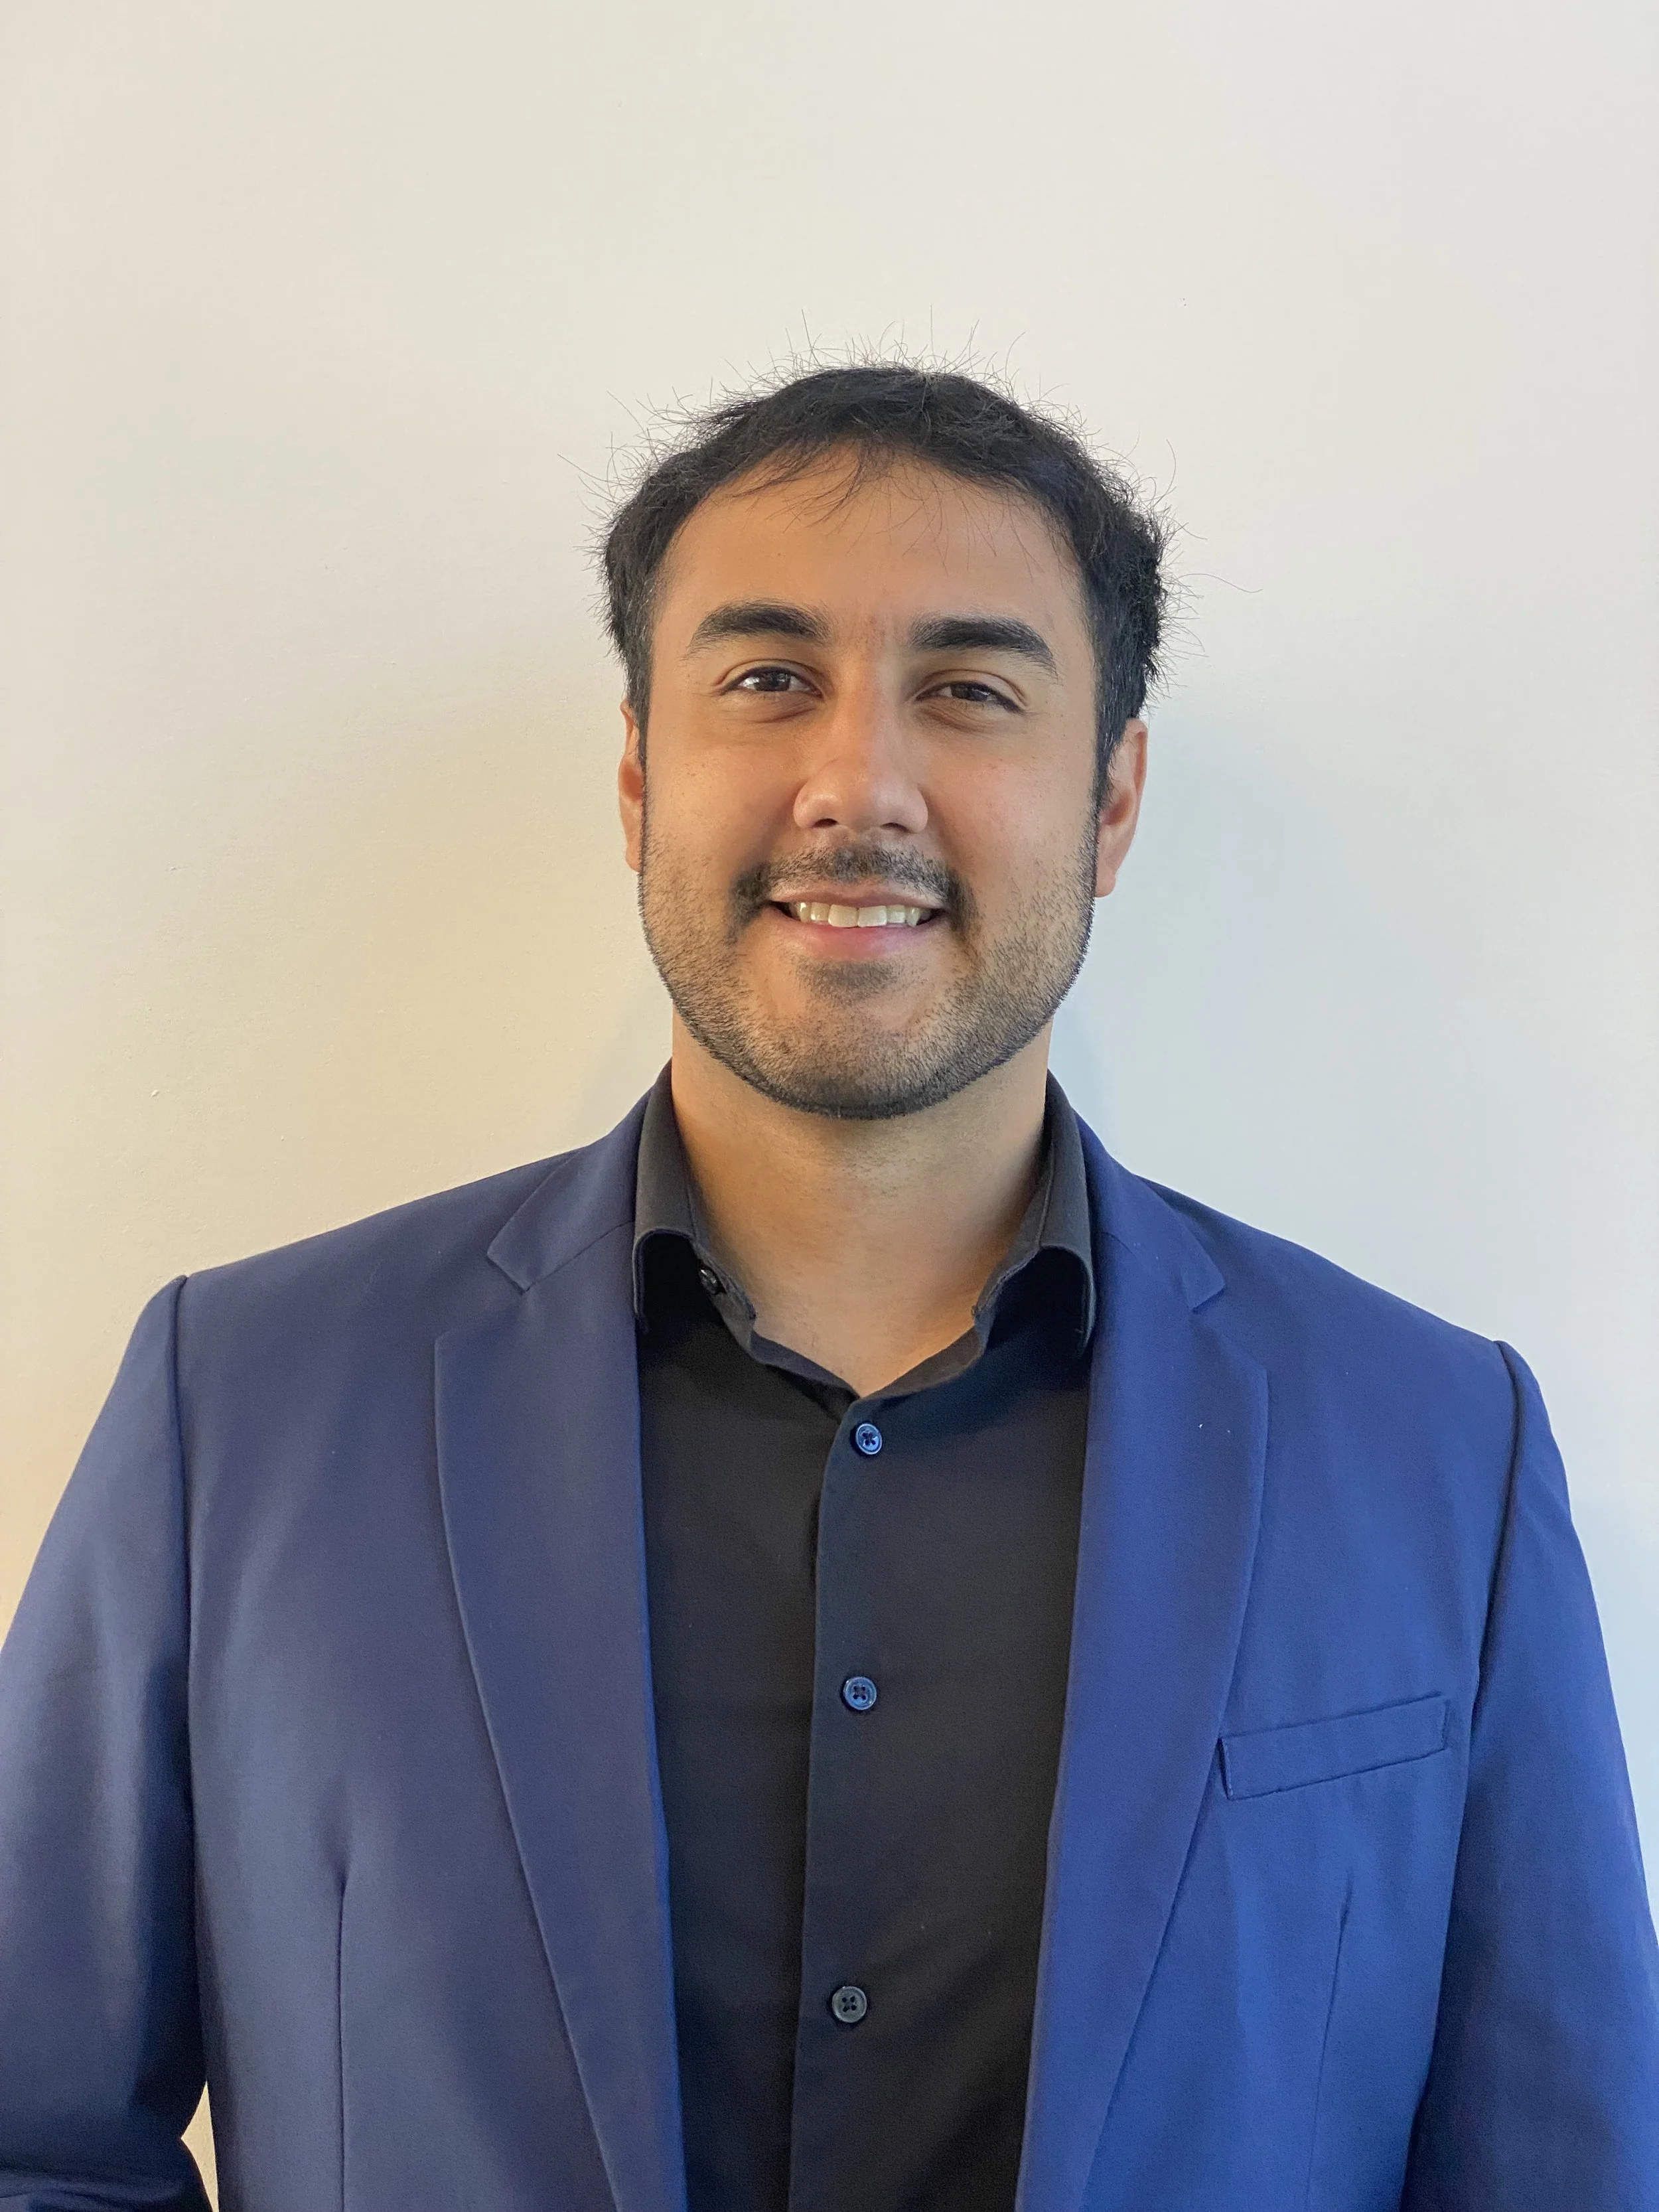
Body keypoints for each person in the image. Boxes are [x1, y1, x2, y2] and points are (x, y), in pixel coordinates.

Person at [1, 362, 1655, 2212]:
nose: (857, 785)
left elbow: (1561, 2167)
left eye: (968, 691)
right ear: (641, 777)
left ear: (1110, 800)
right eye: (768, 680)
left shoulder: (1437, 1454)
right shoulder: (240, 1409)